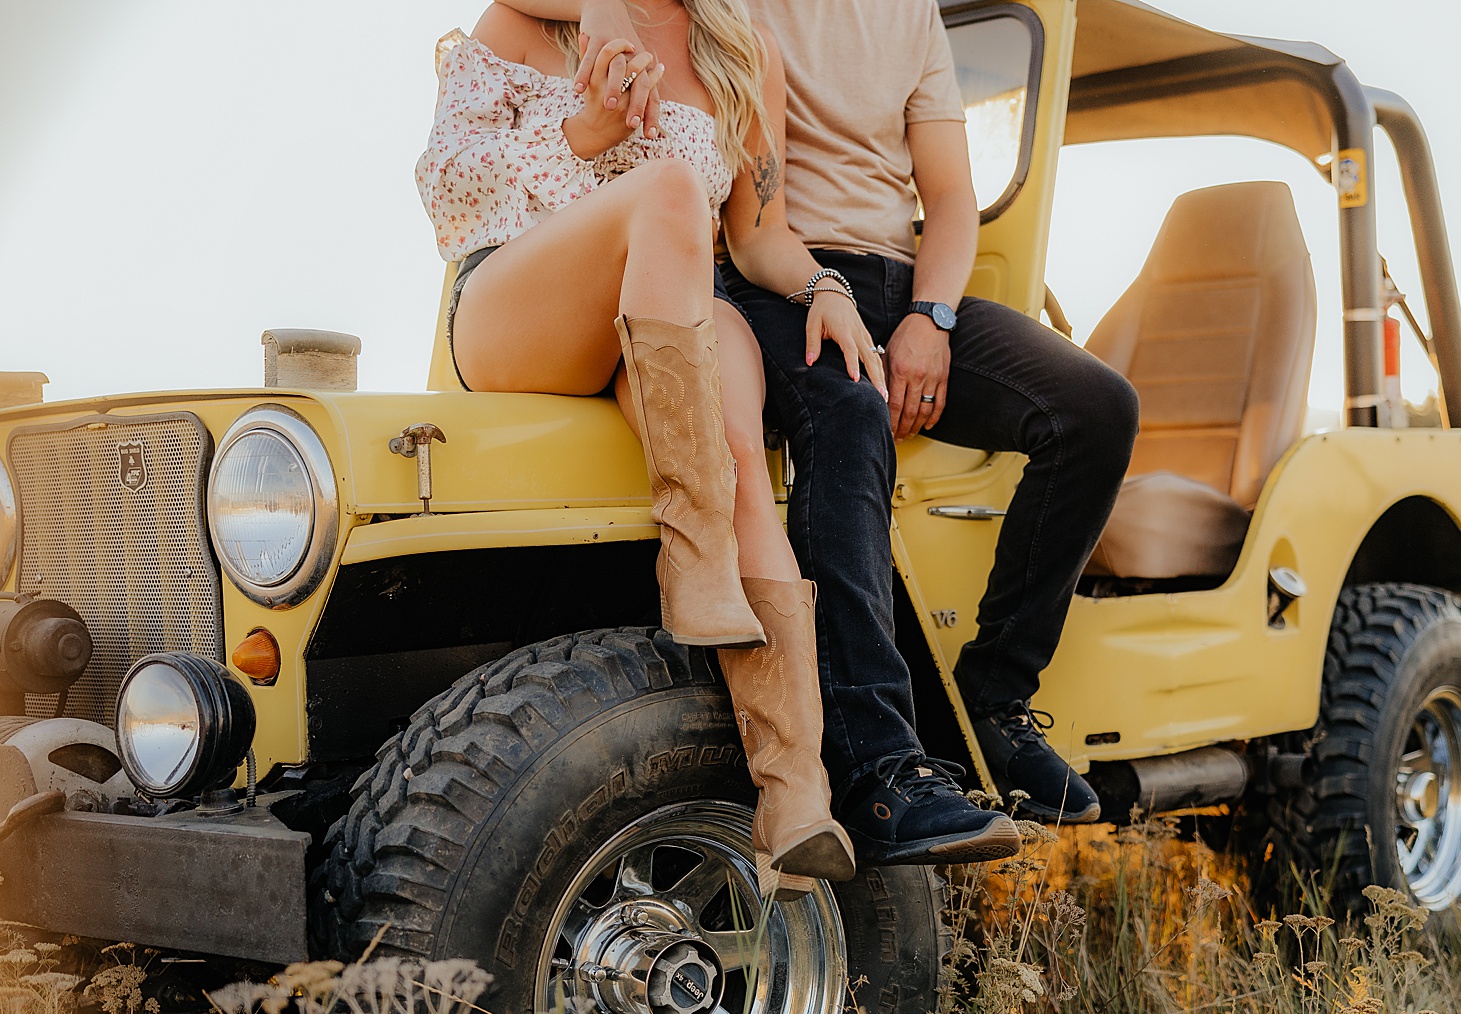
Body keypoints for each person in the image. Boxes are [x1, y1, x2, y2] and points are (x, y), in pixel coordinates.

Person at [500, 0, 1141, 865]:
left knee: (1096, 407)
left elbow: (950, 197)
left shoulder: (912, 16)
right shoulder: (729, 11)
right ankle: (879, 765)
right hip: (770, 278)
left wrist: (932, 316)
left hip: (898, 279)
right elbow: (752, 227)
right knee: (851, 407)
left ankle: (994, 706)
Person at [420, 0, 892, 894]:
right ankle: (695, 551)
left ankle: (795, 794)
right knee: (672, 187)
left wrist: (825, 284)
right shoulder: (523, 23)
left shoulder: (742, 50)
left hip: (667, 308)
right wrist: (587, 132)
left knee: (740, 451)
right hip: (524, 307)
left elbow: (755, 233)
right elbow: (451, 185)